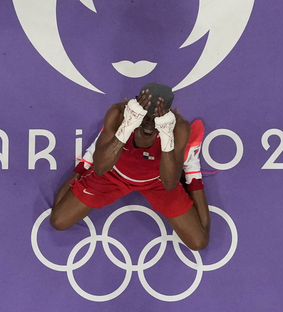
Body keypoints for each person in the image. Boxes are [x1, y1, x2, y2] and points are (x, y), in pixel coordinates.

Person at [50, 83, 210, 250]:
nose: (149, 124)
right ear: (135, 106)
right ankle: (93, 153)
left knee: (199, 242)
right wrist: (127, 127)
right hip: (113, 173)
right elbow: (100, 169)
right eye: (146, 116)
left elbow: (169, 184)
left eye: (156, 118)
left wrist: (166, 134)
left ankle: (190, 163)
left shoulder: (178, 127)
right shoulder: (119, 114)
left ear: (169, 114)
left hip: (157, 181)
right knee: (58, 221)